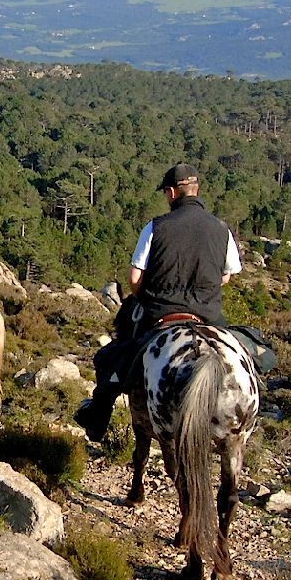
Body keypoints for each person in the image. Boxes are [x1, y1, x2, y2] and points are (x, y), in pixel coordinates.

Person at [75, 163, 243, 442]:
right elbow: (227, 275)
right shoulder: (222, 229)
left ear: (173, 192)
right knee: (243, 351)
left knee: (112, 357)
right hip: (208, 313)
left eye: (166, 193)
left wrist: (145, 295)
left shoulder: (156, 227)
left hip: (161, 312)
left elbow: (134, 276)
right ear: (196, 189)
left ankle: (97, 415)